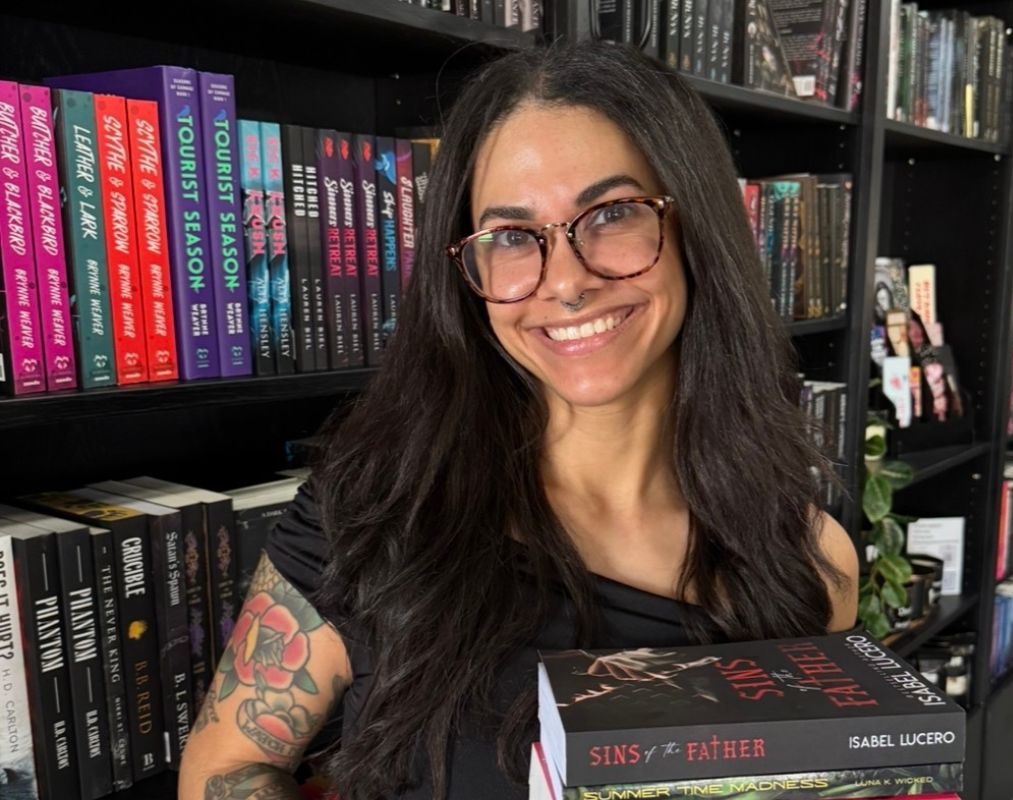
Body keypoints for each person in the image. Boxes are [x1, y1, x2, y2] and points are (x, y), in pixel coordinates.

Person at [179, 39, 858, 800]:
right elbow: (225, 769)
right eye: (510, 237)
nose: (565, 282)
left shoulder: (806, 560)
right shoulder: (371, 512)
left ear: (695, 225)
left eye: (612, 214)